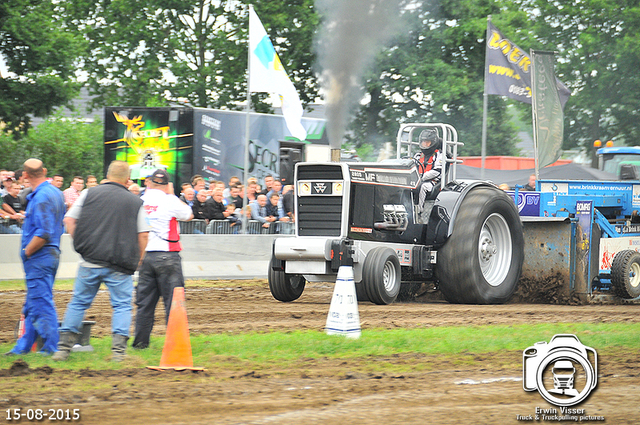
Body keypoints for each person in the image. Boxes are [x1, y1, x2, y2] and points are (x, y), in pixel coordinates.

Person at [53, 161, 150, 362]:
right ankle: (118, 353)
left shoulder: (89, 194)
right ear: (127, 179)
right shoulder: (135, 201)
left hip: (89, 260)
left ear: (107, 174)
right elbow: (143, 235)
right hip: (119, 264)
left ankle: (63, 349)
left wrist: (81, 244)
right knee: (122, 306)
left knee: (78, 303)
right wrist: (139, 260)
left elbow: (69, 220)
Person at [6, 158, 65, 356]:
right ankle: (23, 346)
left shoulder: (40, 197)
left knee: (41, 301)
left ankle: (51, 347)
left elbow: (44, 232)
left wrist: (27, 251)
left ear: (25, 176)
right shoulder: (55, 192)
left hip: (40, 256)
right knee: (32, 303)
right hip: (51, 253)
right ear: (45, 171)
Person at [132, 169, 194, 350]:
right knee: (173, 303)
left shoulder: (140, 201)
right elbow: (189, 215)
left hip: (146, 256)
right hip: (168, 255)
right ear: (167, 185)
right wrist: (172, 194)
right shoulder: (170, 200)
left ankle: (140, 343)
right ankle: (175, 344)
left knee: (144, 304)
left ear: (149, 182)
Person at [414, 129, 444, 207]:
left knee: (422, 187)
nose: (424, 144)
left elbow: (437, 171)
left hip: (432, 182)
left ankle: (418, 211)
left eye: (427, 142)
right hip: (417, 180)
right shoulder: (418, 155)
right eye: (423, 142)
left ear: (433, 143)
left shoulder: (439, 155)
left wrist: (421, 177)